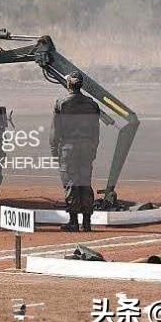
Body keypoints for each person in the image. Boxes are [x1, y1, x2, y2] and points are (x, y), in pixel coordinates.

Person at [50, 71, 101, 232]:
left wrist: (54, 150)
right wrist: (93, 149)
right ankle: (86, 222)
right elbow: (95, 131)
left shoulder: (62, 104)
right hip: (87, 148)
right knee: (85, 182)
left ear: (69, 84)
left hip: (68, 149)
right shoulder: (92, 104)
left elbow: (55, 131)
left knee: (71, 182)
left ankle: (73, 221)